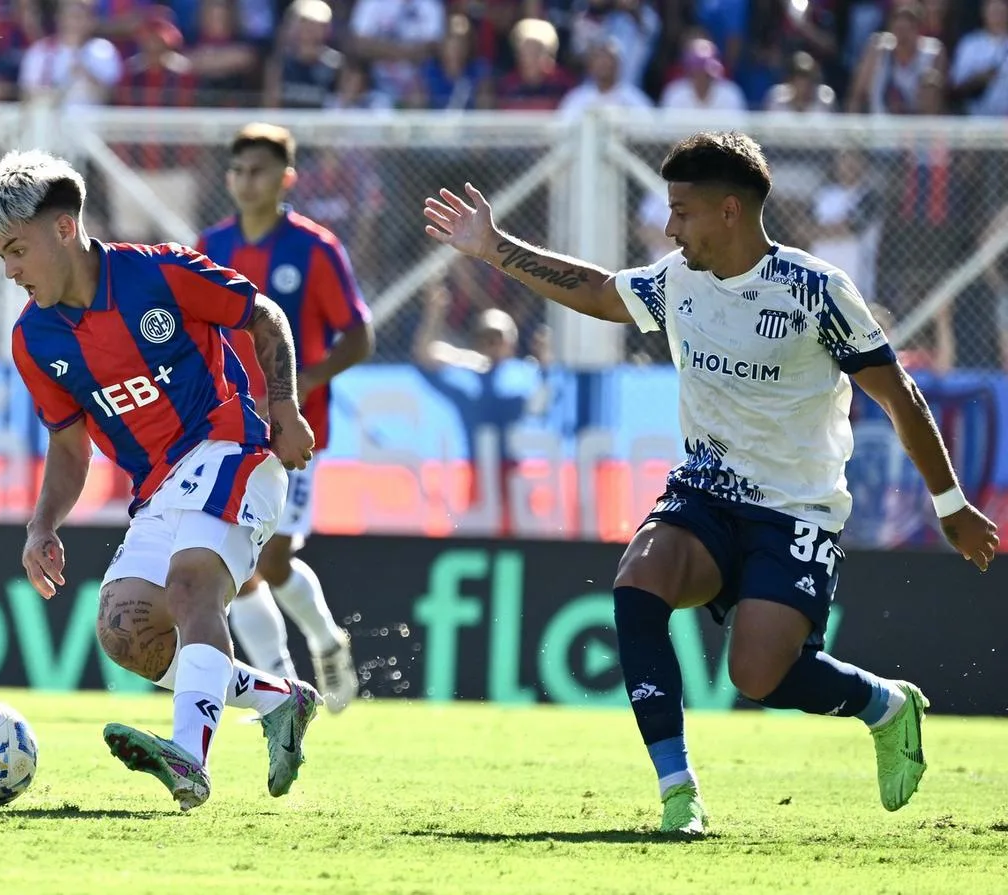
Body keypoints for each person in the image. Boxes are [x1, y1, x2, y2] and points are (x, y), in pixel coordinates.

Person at [422, 131, 998, 835]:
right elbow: (602, 292)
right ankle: (677, 791)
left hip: (796, 512)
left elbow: (899, 396)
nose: (669, 227)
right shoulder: (678, 279)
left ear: (730, 211)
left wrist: (950, 503)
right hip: (705, 492)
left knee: (759, 675)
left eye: (682, 211)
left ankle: (884, 705)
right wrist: (497, 248)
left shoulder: (816, 291)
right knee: (638, 583)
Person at [0, 149, 321, 812]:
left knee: (193, 587)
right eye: (1, 257)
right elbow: (70, 448)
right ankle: (282, 700)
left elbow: (263, 315)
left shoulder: (156, 273)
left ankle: (189, 757)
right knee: (125, 630)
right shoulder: (35, 338)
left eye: (16, 250)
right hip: (159, 488)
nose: (10, 270)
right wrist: (42, 522)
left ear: (63, 229)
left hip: (233, 450)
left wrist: (284, 407)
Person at [197, 123, 373, 712]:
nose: (248, 181)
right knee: (233, 558)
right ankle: (282, 691)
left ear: (286, 178)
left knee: (272, 560)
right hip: (227, 425)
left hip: (294, 428)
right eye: (239, 170)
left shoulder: (313, 248)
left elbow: (358, 335)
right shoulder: (210, 247)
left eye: (261, 171)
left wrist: (301, 385)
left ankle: (326, 641)